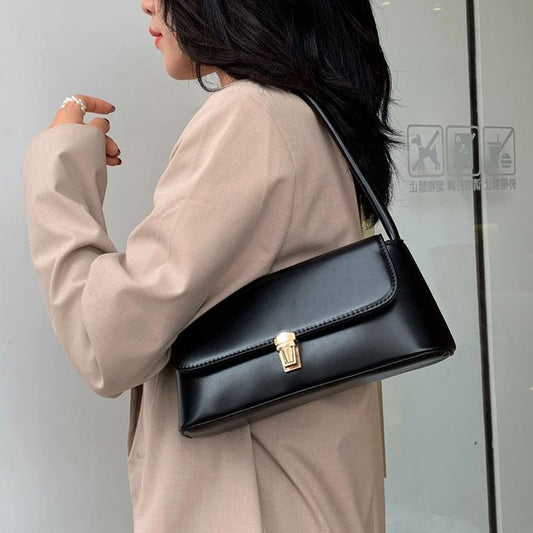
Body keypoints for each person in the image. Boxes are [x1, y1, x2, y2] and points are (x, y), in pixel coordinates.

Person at [20, 0, 402, 531]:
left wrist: (57, 166)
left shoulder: (251, 116)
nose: (147, 3)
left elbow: (107, 341)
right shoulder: (311, 114)